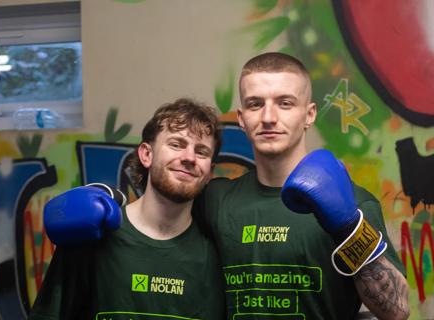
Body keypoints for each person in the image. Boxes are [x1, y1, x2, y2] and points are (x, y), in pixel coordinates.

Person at [43, 53, 410, 320]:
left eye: (285, 103)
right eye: (255, 104)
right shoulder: (215, 198)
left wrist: (348, 225)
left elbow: (396, 311)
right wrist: (106, 197)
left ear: (309, 114)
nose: (269, 117)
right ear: (242, 117)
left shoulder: (356, 202)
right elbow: (162, 203)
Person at [28, 98, 226, 319]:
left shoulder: (216, 254)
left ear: (210, 173)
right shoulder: (90, 235)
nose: (189, 158)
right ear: (146, 154)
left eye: (201, 152)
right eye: (176, 144)